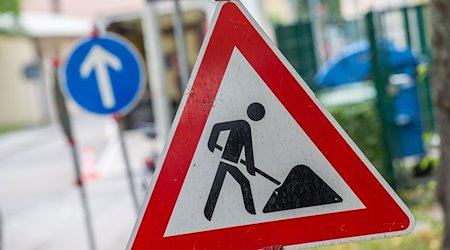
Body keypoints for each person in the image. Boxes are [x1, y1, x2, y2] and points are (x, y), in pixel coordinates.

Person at [204, 102, 265, 221]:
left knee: (218, 186)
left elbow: (248, 149)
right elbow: (217, 127)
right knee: (243, 183)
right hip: (226, 162)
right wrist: (211, 143)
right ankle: (252, 215)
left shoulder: (245, 126)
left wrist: (250, 167)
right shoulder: (242, 124)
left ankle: (207, 213)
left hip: (230, 163)